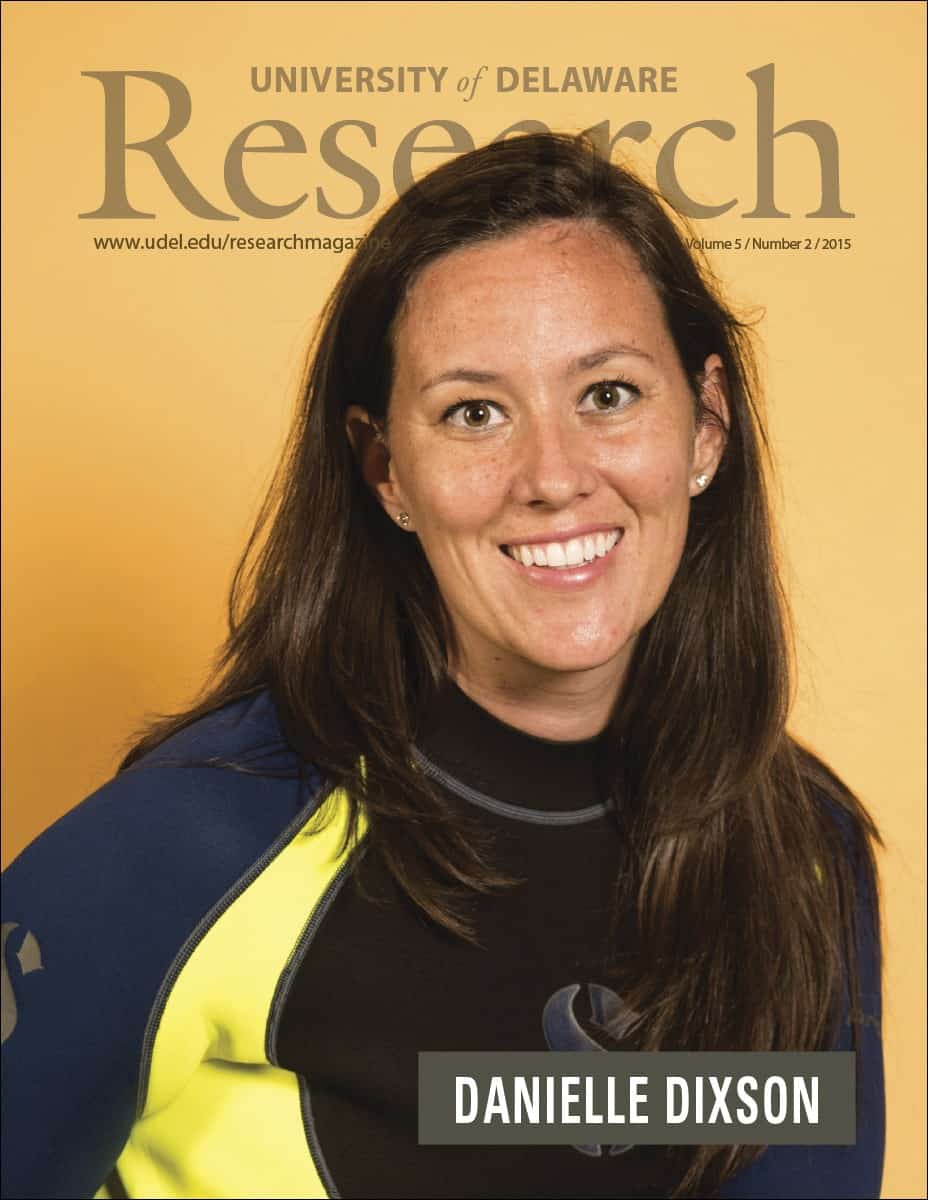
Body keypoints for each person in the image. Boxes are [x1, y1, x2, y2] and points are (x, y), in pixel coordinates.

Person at [1, 131, 883, 1200]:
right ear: (387, 472)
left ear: (704, 426)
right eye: (474, 413)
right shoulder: (191, 843)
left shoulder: (798, 846)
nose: (552, 476)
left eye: (608, 394)